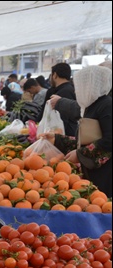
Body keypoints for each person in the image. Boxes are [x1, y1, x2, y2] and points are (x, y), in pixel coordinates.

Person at [40, 65, 112, 197]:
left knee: (101, 206)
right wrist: (57, 139)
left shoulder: (107, 105)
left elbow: (109, 141)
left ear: (90, 85)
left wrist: (80, 154)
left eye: (80, 86)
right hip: (92, 173)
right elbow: (86, 140)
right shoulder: (90, 106)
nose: (76, 91)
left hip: (105, 176)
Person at [40, 62, 78, 137]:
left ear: (55, 75)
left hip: (65, 135)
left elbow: (63, 119)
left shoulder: (63, 92)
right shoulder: (71, 88)